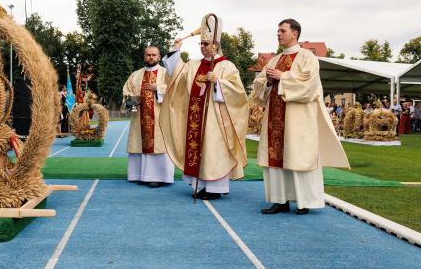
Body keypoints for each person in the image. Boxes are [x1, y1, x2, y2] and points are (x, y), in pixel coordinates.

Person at [252, 18, 349, 215]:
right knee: (276, 158)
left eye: (282, 31)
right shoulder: (273, 60)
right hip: (275, 120)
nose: (278, 34)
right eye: (277, 31)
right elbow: (259, 89)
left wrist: (283, 77)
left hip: (298, 121)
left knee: (298, 156)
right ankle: (280, 200)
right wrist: (268, 82)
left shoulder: (307, 57)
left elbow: (312, 87)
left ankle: (305, 201)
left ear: (294, 33)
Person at [160, 14, 248, 200]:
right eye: (200, 44)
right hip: (196, 117)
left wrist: (218, 83)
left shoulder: (227, 66)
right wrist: (175, 50)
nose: (202, 47)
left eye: (205, 44)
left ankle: (216, 188)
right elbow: (176, 75)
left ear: (215, 44)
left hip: (215, 119)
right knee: (197, 147)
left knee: (212, 149)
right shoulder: (193, 65)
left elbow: (239, 94)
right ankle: (202, 184)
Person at [122, 46, 173, 187]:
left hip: (159, 119)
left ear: (159, 56)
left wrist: (158, 89)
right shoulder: (136, 75)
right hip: (139, 118)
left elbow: (173, 90)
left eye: (154, 55)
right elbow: (126, 90)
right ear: (144, 56)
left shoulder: (166, 74)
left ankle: (160, 177)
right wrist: (131, 99)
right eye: (148, 55)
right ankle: (139, 174)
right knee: (139, 144)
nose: (151, 57)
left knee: (158, 146)